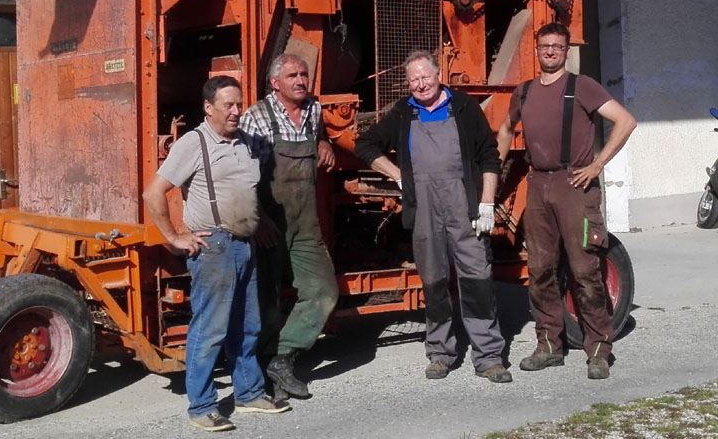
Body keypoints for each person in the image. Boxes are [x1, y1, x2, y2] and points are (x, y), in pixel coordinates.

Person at [355, 50, 512, 384]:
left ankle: (489, 357)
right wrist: (398, 175)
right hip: (424, 208)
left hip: (465, 206)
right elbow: (365, 145)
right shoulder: (403, 112)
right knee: (434, 282)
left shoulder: (464, 107)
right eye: (413, 79)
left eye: (425, 76)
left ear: (439, 75)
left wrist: (486, 203)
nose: (420, 84)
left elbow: (489, 155)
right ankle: (440, 353)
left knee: (477, 280)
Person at [144, 76, 290, 432]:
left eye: (239, 104)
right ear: (208, 108)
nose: (236, 111)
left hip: (245, 245)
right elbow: (153, 194)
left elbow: (245, 190)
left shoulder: (244, 143)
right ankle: (202, 406)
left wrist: (262, 222)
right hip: (215, 248)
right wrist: (175, 236)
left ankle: (249, 393)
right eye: (228, 105)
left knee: (248, 326)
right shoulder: (193, 143)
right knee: (209, 330)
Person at [496, 22, 636, 380]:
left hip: (575, 184)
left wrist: (597, 164)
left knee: (585, 270)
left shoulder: (582, 86)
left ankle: (599, 350)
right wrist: (492, 171)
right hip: (538, 185)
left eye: (558, 46)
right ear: (537, 49)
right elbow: (506, 129)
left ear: (566, 50)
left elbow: (625, 120)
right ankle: (548, 347)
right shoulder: (524, 92)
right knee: (540, 270)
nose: (551, 52)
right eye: (545, 46)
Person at [238, 54, 339, 399]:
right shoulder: (256, 118)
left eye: (304, 74)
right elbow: (242, 175)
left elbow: (319, 135)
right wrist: (260, 220)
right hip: (269, 224)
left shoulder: (314, 110)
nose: (300, 80)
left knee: (324, 291)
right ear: (274, 83)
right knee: (265, 301)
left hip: (305, 224)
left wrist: (324, 142)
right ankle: (262, 375)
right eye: (293, 75)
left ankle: (281, 358)